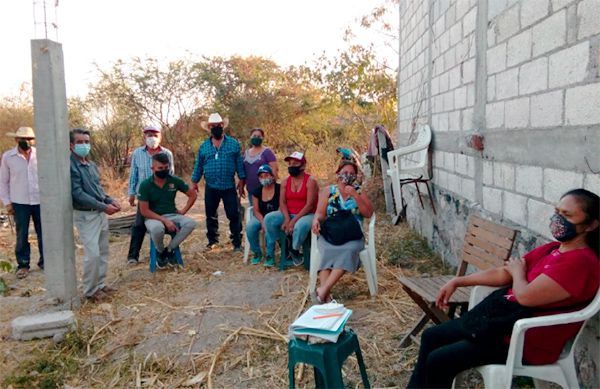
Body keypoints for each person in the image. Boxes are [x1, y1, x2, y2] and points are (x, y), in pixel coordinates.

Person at [407, 188, 600, 389]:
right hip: (501, 322)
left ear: (591, 225)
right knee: (432, 336)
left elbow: (524, 296)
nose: (557, 219)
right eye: (557, 211)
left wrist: (518, 272)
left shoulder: (581, 264)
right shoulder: (552, 249)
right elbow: (503, 273)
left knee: (439, 360)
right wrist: (458, 281)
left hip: (525, 341)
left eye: (567, 215)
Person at [311, 158, 374, 303]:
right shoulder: (328, 191)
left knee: (349, 251)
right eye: (345, 172)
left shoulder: (359, 191)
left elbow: (369, 213)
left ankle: (323, 291)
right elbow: (320, 213)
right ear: (338, 173)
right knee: (326, 251)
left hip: (352, 235)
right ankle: (325, 297)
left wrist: (355, 196)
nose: (348, 175)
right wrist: (316, 220)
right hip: (331, 234)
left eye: (352, 173)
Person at [70, 128, 121, 302]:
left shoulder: (90, 165)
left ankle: (100, 285)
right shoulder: (70, 166)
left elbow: (97, 189)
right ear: (71, 145)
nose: (84, 145)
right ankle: (90, 290)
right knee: (92, 254)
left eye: (86, 142)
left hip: (99, 213)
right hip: (86, 215)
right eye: (79, 142)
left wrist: (109, 200)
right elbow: (77, 193)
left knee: (103, 251)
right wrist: (103, 206)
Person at [192, 113, 246, 251]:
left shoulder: (233, 144)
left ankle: (237, 242)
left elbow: (239, 163)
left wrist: (242, 180)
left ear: (223, 126)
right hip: (211, 186)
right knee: (210, 214)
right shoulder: (204, 146)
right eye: (213, 126)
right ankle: (212, 241)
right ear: (209, 128)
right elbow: (199, 165)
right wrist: (194, 181)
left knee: (234, 214)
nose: (216, 127)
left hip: (228, 185)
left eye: (219, 125)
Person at [125, 125, 174, 266]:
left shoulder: (167, 154)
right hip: (144, 198)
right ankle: (133, 256)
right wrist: (131, 193)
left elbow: (170, 176)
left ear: (160, 137)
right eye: (149, 135)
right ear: (144, 137)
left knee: (165, 224)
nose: (152, 138)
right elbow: (134, 174)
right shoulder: (137, 153)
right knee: (139, 225)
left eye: (155, 135)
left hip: (161, 198)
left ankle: (166, 252)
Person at [138, 153, 197, 268]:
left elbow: (192, 195)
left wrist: (183, 211)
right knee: (157, 228)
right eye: (160, 168)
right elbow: (144, 211)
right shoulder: (145, 185)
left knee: (191, 223)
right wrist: (164, 220)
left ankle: (169, 250)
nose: (164, 170)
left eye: (166, 168)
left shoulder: (174, 181)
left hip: (172, 214)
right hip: (153, 217)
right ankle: (160, 251)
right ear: (152, 168)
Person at [0, 127, 43, 279]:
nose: (27, 142)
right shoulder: (8, 157)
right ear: (16, 140)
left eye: (30, 139)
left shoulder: (41, 154)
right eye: (23, 139)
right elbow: (3, 181)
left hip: (40, 200)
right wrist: (7, 202)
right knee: (22, 234)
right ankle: (23, 264)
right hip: (20, 201)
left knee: (43, 232)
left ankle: (44, 262)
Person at [264, 151, 318, 265]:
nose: (291, 166)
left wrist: (293, 221)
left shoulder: (310, 181)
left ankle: (294, 249)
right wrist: (287, 219)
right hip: (289, 213)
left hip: (307, 214)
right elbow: (282, 202)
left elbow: (310, 205)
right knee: (269, 218)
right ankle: (284, 245)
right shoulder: (285, 182)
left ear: (303, 165)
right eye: (290, 164)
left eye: (295, 164)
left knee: (300, 226)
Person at [247, 164, 280, 266]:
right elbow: (256, 210)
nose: (263, 178)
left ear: (272, 176)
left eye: (266, 175)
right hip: (261, 216)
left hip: (275, 216)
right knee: (250, 227)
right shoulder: (257, 191)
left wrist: (267, 222)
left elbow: (282, 206)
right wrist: (262, 222)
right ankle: (257, 252)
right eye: (261, 176)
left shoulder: (280, 188)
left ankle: (270, 255)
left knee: (269, 227)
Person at [242, 128, 278, 197]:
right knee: (253, 207)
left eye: (259, 136)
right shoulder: (246, 153)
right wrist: (242, 186)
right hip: (251, 191)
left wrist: (273, 187)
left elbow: (275, 169)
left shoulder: (267, 152)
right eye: (254, 136)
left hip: (266, 189)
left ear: (262, 138)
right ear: (250, 137)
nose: (256, 138)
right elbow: (244, 171)